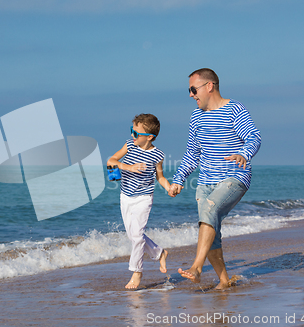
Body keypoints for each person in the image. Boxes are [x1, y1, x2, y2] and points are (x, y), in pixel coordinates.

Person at [168, 68, 261, 290]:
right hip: (205, 183)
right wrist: (179, 179)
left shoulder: (234, 109)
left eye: (193, 89)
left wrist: (244, 154)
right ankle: (223, 280)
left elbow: (253, 136)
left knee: (209, 210)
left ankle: (197, 268)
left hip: (234, 177)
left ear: (209, 86)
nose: (191, 95)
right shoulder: (196, 116)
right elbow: (192, 152)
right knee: (210, 228)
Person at [108, 113, 171, 289]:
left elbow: (160, 177)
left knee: (136, 236)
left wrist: (169, 188)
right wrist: (128, 167)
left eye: (136, 133)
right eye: (131, 131)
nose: (132, 136)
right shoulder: (129, 145)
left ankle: (137, 273)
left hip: (144, 197)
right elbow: (111, 160)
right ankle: (160, 253)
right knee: (134, 236)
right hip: (125, 196)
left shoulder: (157, 155)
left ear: (149, 137)